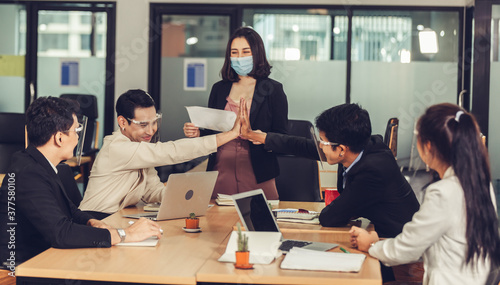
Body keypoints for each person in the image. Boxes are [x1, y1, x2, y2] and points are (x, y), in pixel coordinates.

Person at [240, 101, 419, 282]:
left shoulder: (372, 170)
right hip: (379, 235)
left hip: (399, 252)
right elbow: (305, 146)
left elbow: (330, 218)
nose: (320, 146)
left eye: (324, 142)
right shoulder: (362, 148)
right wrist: (259, 136)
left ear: (341, 149)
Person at [0, 97, 162, 269]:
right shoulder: (28, 173)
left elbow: (70, 210)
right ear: (59, 138)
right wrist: (124, 234)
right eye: (76, 130)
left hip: (45, 257)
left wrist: (92, 221)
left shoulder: (41, 164)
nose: (78, 138)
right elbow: (61, 233)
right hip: (23, 268)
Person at [349, 103, 500, 285]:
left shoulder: (443, 192)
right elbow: (429, 239)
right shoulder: (480, 185)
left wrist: (372, 245)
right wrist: (379, 241)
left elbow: (407, 249)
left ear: (427, 146)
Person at [79, 89, 240, 216]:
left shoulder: (139, 146)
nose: (151, 130)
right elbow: (170, 152)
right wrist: (231, 134)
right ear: (122, 122)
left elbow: (152, 192)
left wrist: (188, 195)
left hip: (116, 219)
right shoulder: (117, 148)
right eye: (143, 124)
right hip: (95, 220)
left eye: (154, 122)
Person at [183, 27, 288, 199]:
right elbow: (212, 129)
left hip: (258, 170)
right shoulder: (219, 88)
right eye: (234, 52)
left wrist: (262, 137)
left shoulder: (273, 89)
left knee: (259, 222)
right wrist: (198, 132)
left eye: (245, 52)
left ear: (257, 53)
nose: (239, 58)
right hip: (221, 168)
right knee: (218, 221)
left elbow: (282, 137)